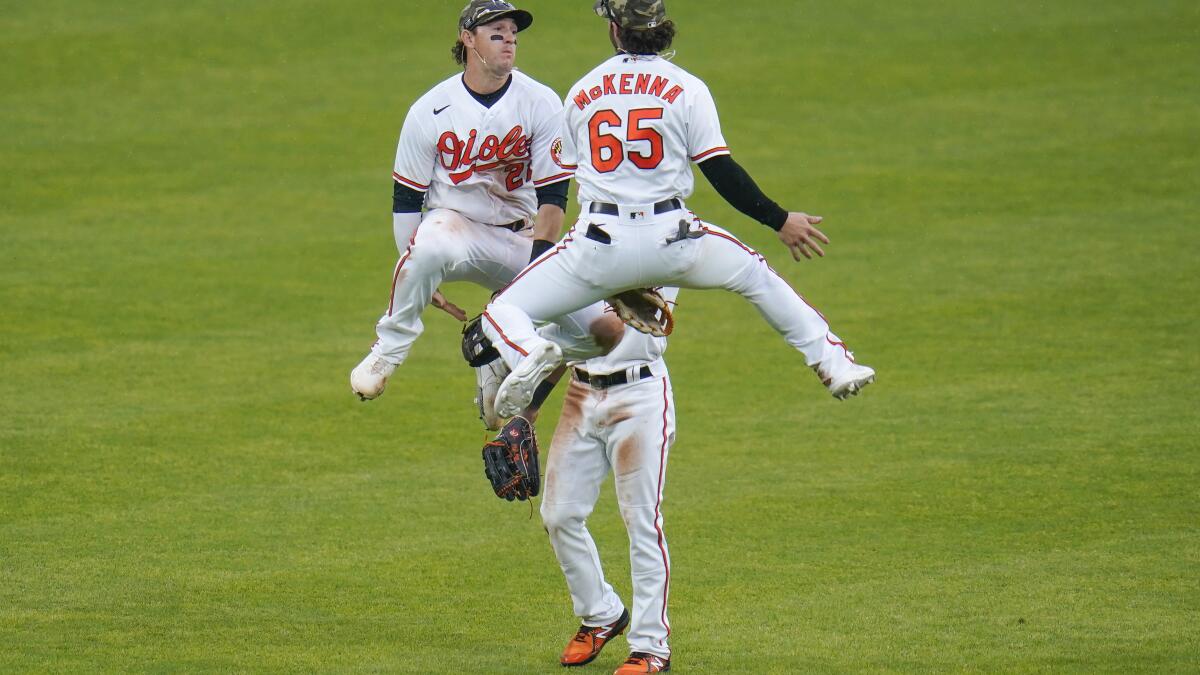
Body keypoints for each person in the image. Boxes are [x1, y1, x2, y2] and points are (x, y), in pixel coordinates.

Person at [478, 0, 875, 426]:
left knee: (502, 311)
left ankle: (527, 351)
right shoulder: (686, 87)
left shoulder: (582, 90)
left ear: (615, 30)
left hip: (597, 246)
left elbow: (560, 179)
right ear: (660, 28)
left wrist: (555, 263)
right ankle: (833, 364)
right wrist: (779, 219)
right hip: (672, 241)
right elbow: (720, 170)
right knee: (754, 275)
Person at [349, 0, 619, 418]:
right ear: (467, 39)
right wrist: (414, 268)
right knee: (432, 245)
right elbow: (407, 199)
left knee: (605, 333)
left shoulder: (541, 102)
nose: (509, 39)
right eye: (496, 32)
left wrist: (534, 278)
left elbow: (553, 197)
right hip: (457, 229)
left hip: (524, 238)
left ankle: (503, 349)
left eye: (512, 32)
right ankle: (389, 349)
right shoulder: (430, 110)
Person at [537, 290, 678, 674]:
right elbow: (566, 333)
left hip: (640, 396)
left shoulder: (663, 241)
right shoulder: (587, 241)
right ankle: (601, 615)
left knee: (641, 521)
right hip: (580, 391)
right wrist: (530, 409)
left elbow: (616, 320)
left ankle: (651, 647)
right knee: (558, 515)